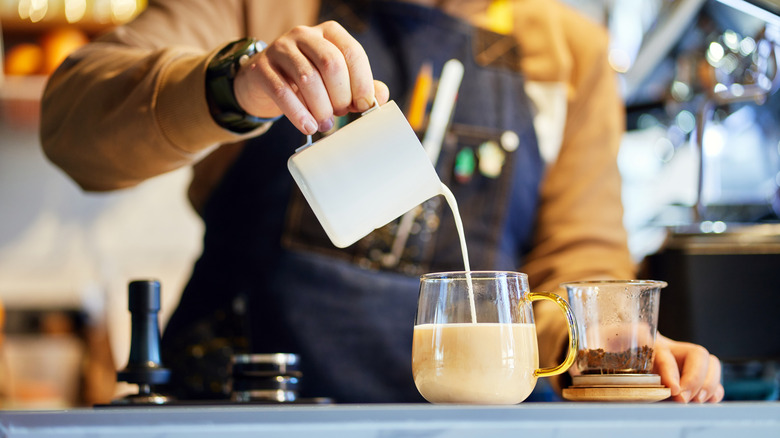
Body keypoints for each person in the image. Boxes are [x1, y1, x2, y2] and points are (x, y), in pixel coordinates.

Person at [40, 0, 724, 403]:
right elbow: (74, 123)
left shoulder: (567, 54)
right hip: (242, 407)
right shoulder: (269, 7)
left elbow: (577, 260)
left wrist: (619, 348)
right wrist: (236, 82)